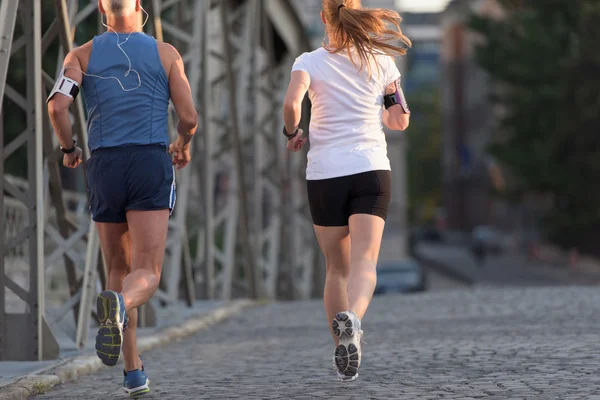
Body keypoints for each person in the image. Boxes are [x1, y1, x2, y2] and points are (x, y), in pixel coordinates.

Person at [47, 0, 197, 396]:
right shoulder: (166, 53)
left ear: (101, 7)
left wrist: (69, 148)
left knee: (117, 265)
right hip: (149, 161)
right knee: (145, 271)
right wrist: (182, 144)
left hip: (105, 167)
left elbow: (57, 107)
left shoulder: (81, 54)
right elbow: (189, 116)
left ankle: (133, 372)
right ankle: (118, 303)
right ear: (139, 6)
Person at [282, 0, 411, 382]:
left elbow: (291, 105)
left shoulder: (308, 61)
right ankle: (353, 320)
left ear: (324, 17)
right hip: (371, 170)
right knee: (365, 263)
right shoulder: (382, 62)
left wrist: (293, 133)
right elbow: (400, 120)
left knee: (336, 267)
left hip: (325, 175)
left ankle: (342, 346)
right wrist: (390, 101)